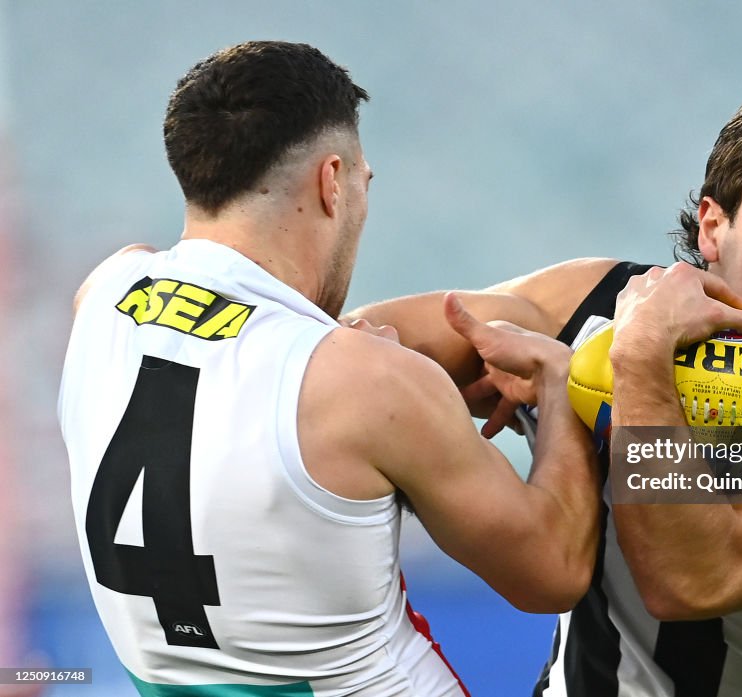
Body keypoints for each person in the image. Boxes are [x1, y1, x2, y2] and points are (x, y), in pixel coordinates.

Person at [349, 75, 742, 696]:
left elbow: (690, 581)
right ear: (713, 226)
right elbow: (356, 349)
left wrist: (621, 363)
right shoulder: (595, 301)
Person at [58, 41, 601, 696]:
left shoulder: (103, 295)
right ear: (331, 180)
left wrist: (361, 362)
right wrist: (558, 384)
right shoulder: (366, 383)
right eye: (364, 184)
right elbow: (555, 568)